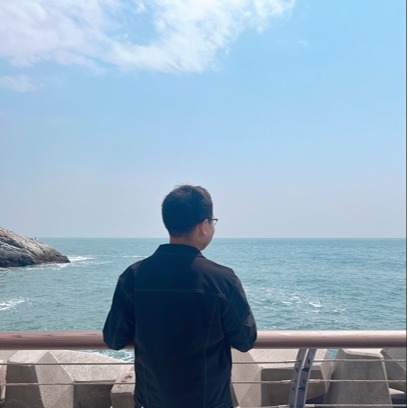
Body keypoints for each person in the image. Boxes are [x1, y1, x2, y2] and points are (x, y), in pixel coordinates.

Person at [103, 185, 257, 408]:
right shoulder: (223, 279)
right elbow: (245, 340)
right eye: (213, 221)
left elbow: (114, 339)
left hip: (151, 402)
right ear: (203, 225)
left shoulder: (133, 276)